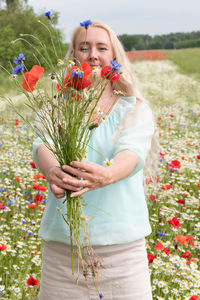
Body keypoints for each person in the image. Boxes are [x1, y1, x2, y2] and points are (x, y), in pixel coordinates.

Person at [33, 21, 155, 300]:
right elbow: (43, 145)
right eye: (84, 47)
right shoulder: (58, 106)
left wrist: (106, 175)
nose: (92, 54)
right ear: (74, 56)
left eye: (102, 47)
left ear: (114, 57)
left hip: (122, 256)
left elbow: (132, 153)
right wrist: (54, 171)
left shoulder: (133, 107)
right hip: (63, 254)